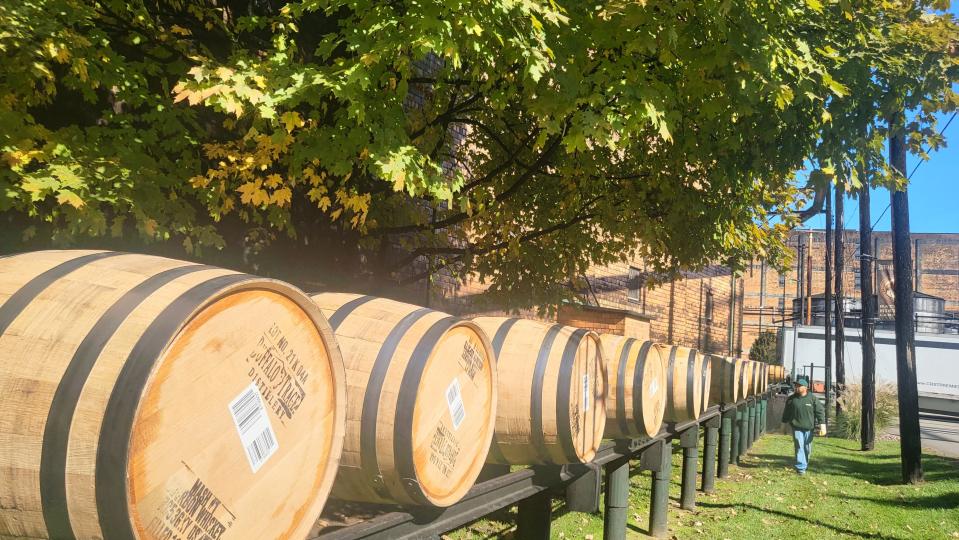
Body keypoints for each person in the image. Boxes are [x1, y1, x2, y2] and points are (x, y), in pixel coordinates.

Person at [781, 377, 826, 474]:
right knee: (799, 446)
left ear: (805, 387)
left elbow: (820, 411)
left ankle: (804, 462)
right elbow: (786, 413)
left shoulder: (812, 398)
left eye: (799, 386)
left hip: (809, 428)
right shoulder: (791, 399)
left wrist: (823, 425)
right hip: (796, 427)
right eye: (796, 385)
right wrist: (783, 425)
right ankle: (801, 468)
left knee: (807, 448)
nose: (796, 387)